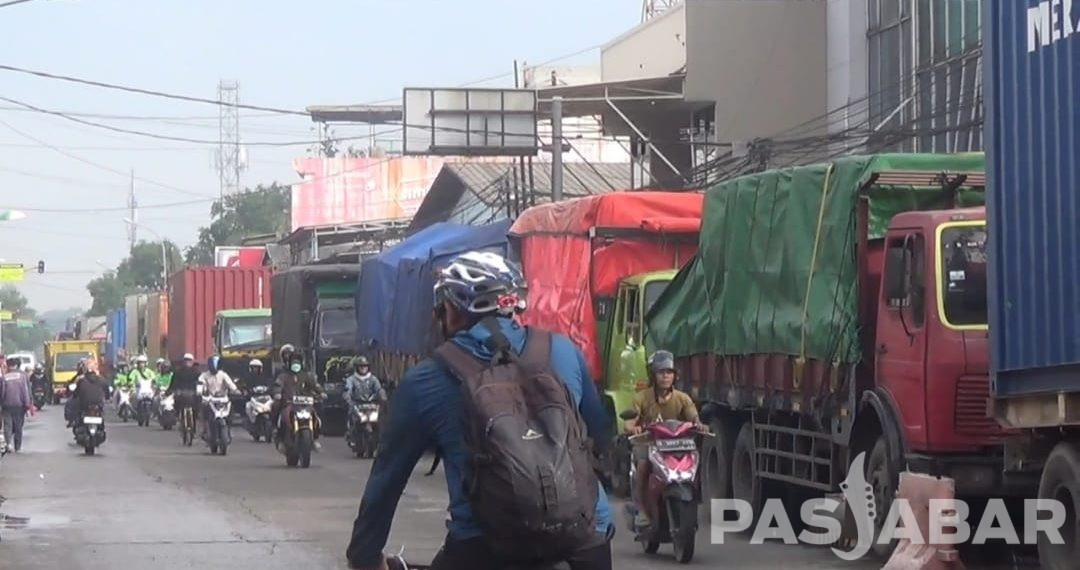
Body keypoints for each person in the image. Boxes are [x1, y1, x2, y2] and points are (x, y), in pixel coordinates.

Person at [346, 251, 613, 570]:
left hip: (483, 548)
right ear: (512, 304)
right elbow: (600, 434)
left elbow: (386, 482)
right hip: (585, 540)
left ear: (451, 310)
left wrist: (364, 557)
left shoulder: (427, 379)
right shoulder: (565, 351)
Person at [624, 350, 702, 529]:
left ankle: (692, 506)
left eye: (669, 372)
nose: (665, 376)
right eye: (661, 372)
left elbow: (693, 418)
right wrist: (633, 427)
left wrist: (699, 425)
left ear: (675, 376)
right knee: (643, 465)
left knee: (695, 462)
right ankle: (642, 510)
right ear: (654, 375)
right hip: (647, 444)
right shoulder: (642, 398)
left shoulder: (682, 398)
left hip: (675, 446)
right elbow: (629, 422)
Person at [269, 351, 325, 444]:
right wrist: (277, 393)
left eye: (297, 363)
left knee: (319, 409)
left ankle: (315, 436)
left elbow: (315, 386)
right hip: (288, 403)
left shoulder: (307, 376)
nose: (296, 365)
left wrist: (321, 393)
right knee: (275, 406)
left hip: (305, 404)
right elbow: (278, 385)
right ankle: (276, 429)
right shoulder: (284, 376)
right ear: (289, 364)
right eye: (294, 363)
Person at [197, 355, 239, 438]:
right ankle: (205, 429)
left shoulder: (223, 375)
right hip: (210, 399)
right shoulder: (204, 375)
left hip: (223, 399)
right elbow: (200, 384)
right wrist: (200, 392)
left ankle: (228, 428)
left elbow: (230, 384)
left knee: (231, 410)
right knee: (204, 410)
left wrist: (236, 390)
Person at [1, 356, 31, 452]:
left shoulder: (4, 377)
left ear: (9, 366)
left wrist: (1, 403)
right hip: (19, 405)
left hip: (7, 405)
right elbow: (25, 392)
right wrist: (27, 405)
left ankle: (8, 444)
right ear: (16, 365)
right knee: (19, 426)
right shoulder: (22, 377)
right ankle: (17, 447)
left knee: (7, 425)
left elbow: (2, 392)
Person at [165, 354, 200, 434]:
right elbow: (173, 383)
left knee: (197, 408)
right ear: (183, 361)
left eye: (189, 360)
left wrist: (200, 391)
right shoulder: (178, 372)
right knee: (176, 404)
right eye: (186, 360)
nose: (188, 362)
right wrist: (170, 391)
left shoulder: (196, 372)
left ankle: (193, 427)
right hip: (181, 394)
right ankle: (179, 418)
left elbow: (200, 383)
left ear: (192, 362)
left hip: (192, 395)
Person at [72, 358, 109, 423]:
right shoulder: (101, 379)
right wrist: (107, 397)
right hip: (98, 404)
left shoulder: (81, 380)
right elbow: (107, 389)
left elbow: (76, 393)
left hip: (85, 405)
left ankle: (73, 421)